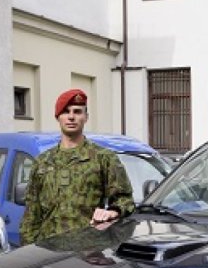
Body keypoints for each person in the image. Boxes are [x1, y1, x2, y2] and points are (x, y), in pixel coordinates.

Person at [19, 89, 134, 245]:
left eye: (77, 111)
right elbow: (31, 214)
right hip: (48, 250)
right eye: (66, 112)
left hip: (88, 250)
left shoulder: (103, 158)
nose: (71, 117)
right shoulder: (42, 162)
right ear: (58, 117)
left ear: (86, 117)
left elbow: (125, 200)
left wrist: (113, 211)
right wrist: (27, 253)